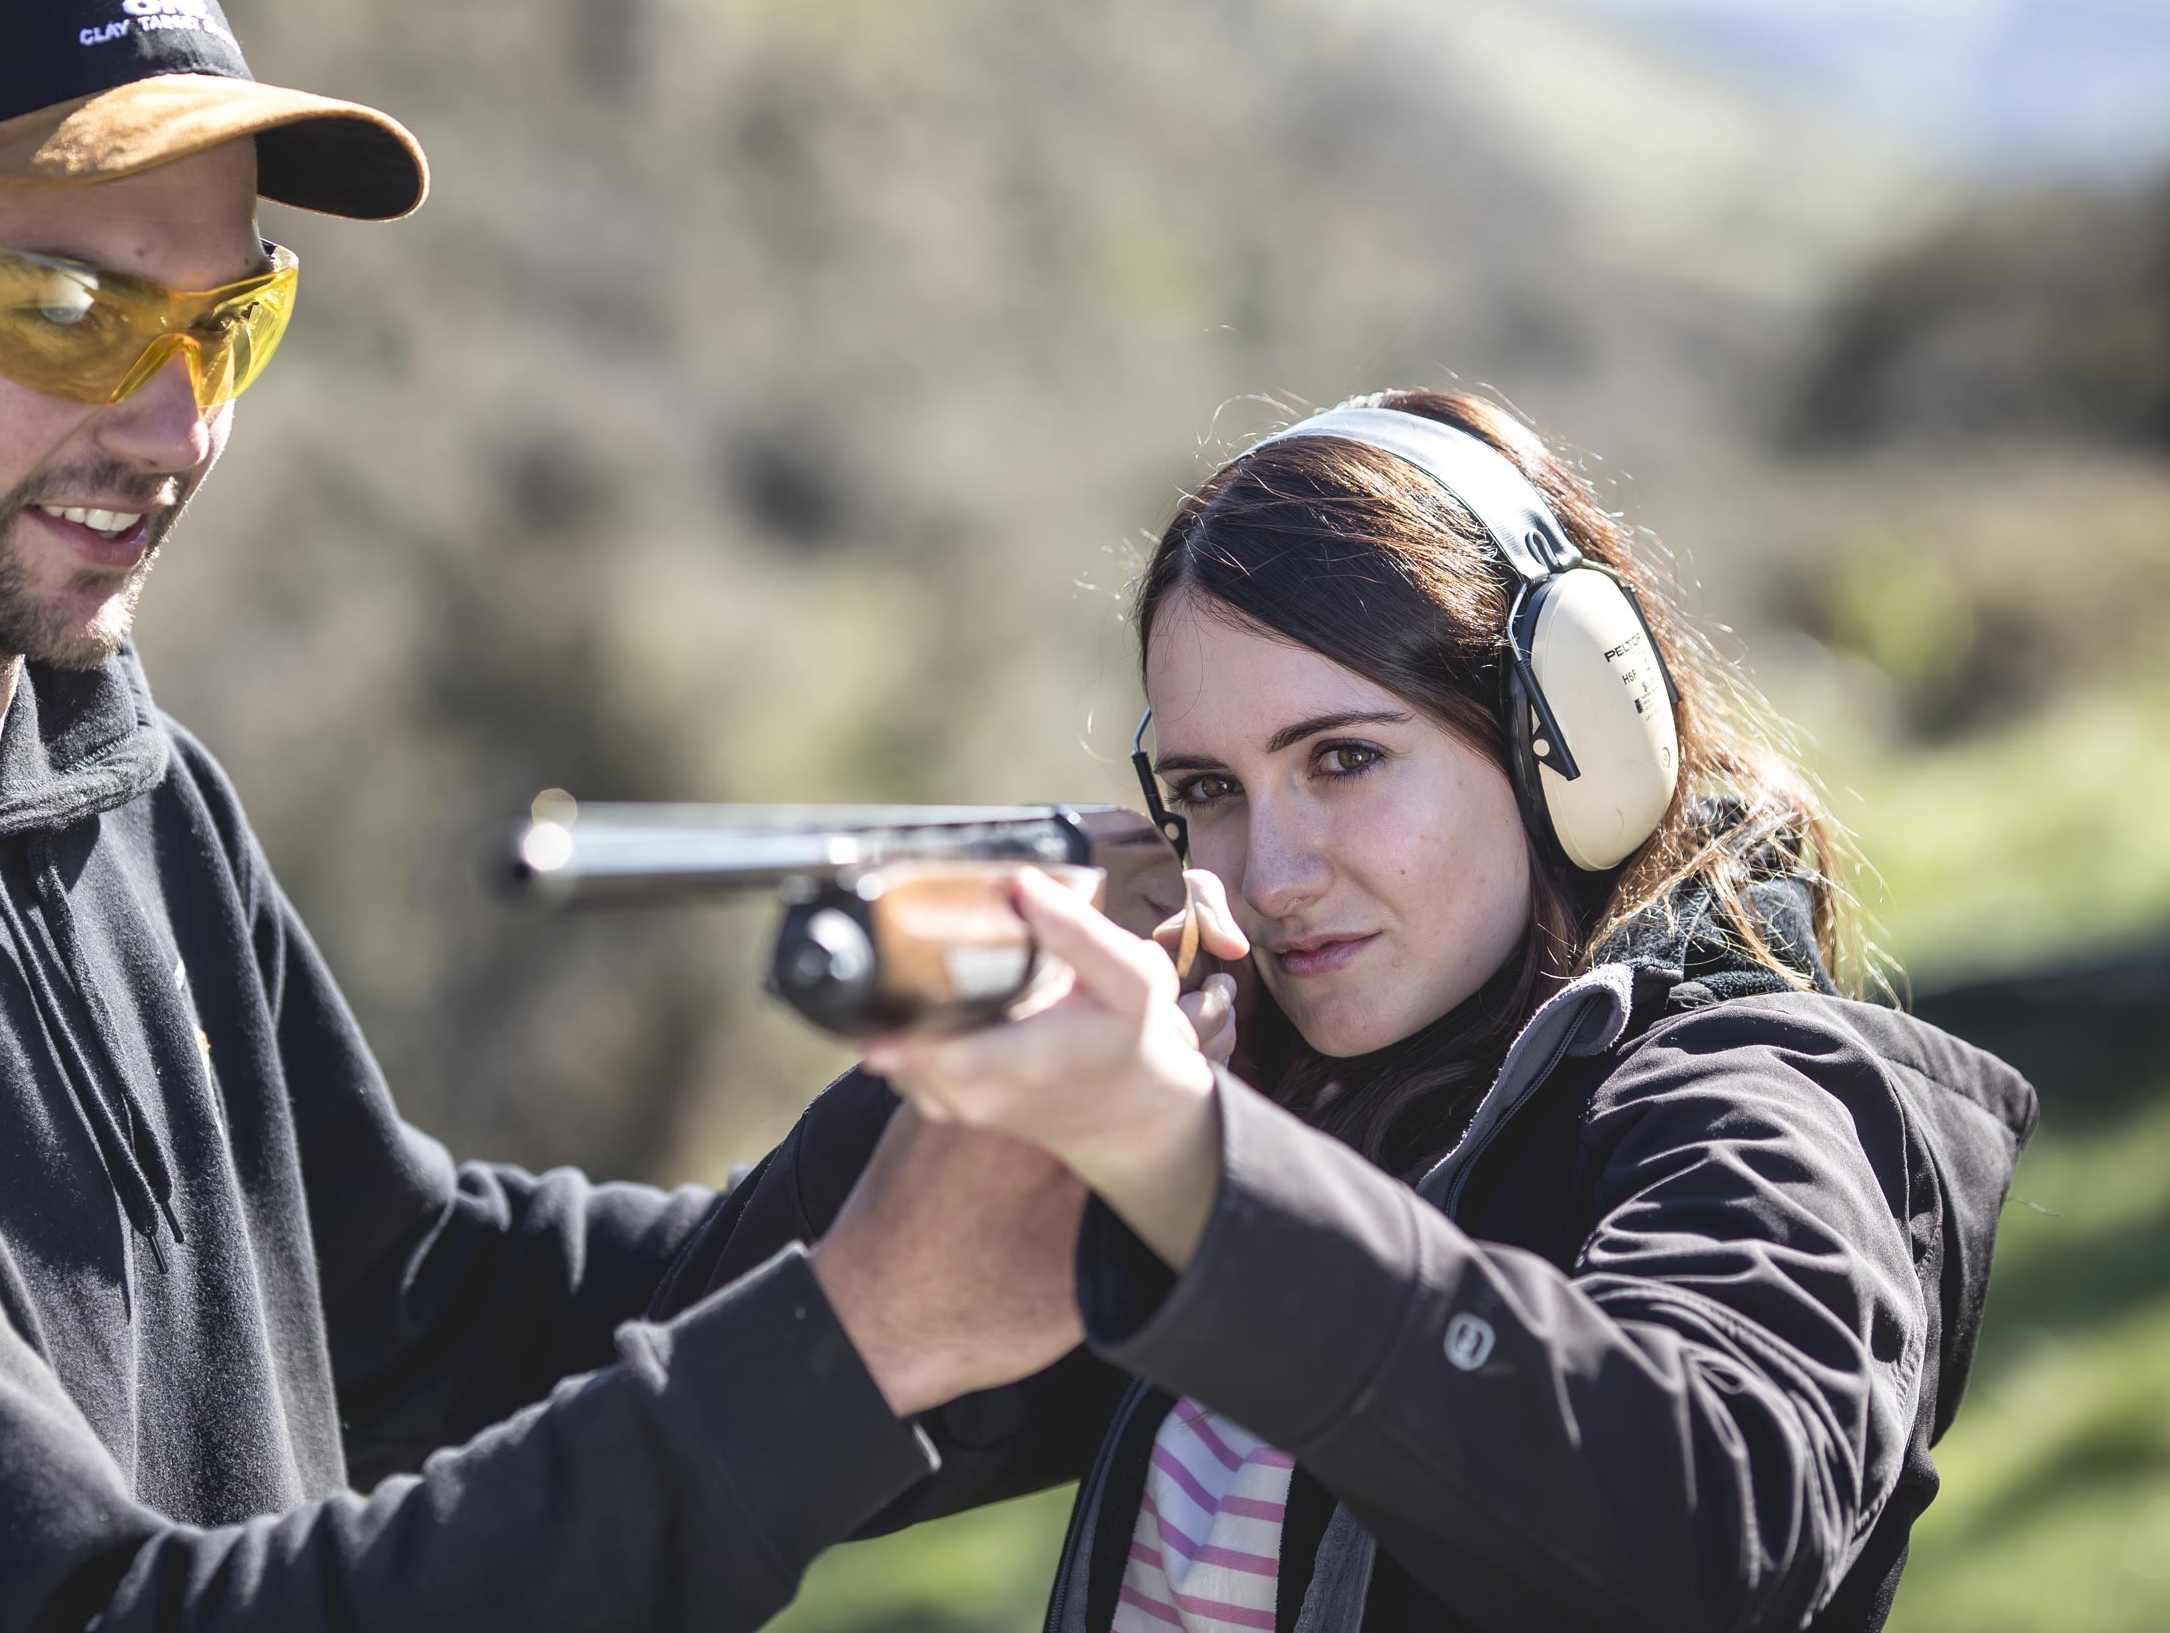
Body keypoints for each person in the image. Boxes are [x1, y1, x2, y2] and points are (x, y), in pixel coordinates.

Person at [0, 0, 1103, 1627]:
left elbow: (415, 1314)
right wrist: (859, 1342)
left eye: (225, 318)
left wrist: (1052, 1168)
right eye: (71, 307)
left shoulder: (121, 781)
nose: (178, 430)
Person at [668, 388, 2039, 1632]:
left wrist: (1188, 1171)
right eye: (1210, 791)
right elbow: (689, 1330)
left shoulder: (1761, 1096)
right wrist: (981, 1065)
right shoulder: (1295, 1096)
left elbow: (1713, 1530)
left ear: (1577, 737)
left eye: (1344, 758)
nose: (1269, 876)